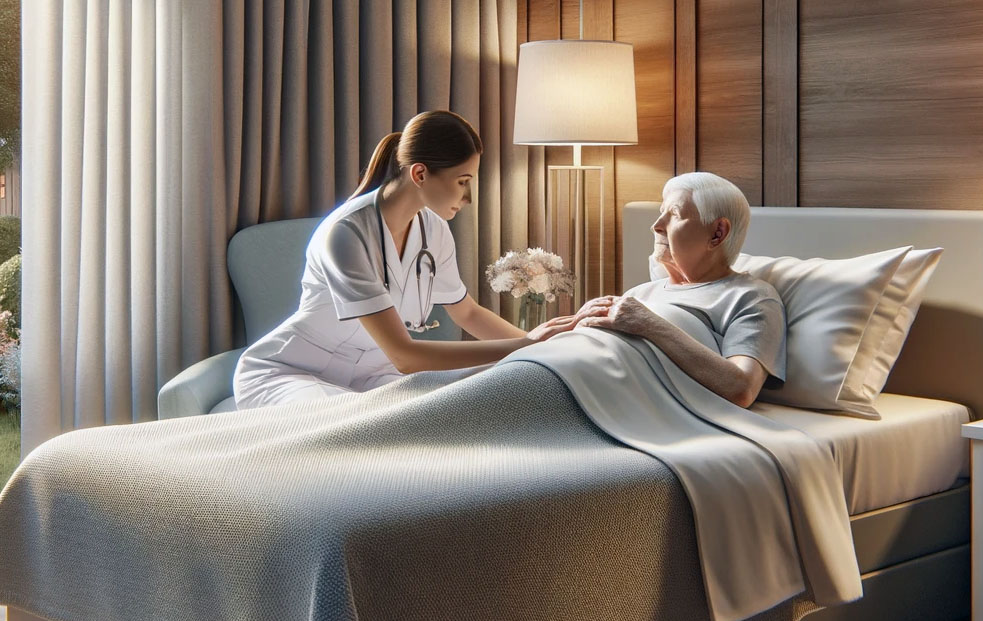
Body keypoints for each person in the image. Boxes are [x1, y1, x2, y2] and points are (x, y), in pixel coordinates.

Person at [234, 110, 574, 408]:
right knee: (359, 426)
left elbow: (467, 312)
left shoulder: (434, 230)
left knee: (477, 397)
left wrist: (538, 351)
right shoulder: (346, 234)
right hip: (291, 374)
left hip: (372, 376)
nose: (468, 197)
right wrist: (525, 343)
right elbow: (405, 356)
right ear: (420, 174)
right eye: (462, 182)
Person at [571, 172, 786, 408]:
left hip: (628, 405)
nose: (656, 226)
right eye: (660, 212)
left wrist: (648, 324)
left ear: (717, 233)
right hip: (582, 386)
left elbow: (741, 389)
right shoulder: (638, 294)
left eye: (673, 214)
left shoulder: (750, 297)